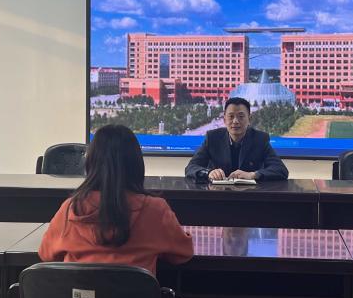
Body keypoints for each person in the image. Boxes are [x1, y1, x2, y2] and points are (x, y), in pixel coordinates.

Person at [38, 124, 193, 277]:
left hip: (79, 293)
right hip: (134, 294)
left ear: (91, 162)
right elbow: (183, 253)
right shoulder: (155, 209)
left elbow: (46, 254)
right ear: (136, 163)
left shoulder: (72, 208)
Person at [184, 97, 289, 182]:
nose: (235, 121)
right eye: (231, 116)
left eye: (241, 116)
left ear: (249, 119)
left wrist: (253, 175)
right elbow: (191, 167)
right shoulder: (212, 138)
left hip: (251, 195)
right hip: (218, 195)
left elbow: (281, 170)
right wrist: (208, 173)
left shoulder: (260, 139)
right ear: (224, 119)